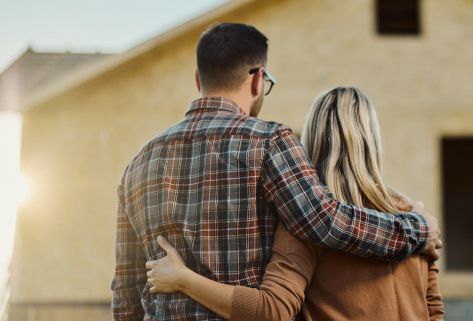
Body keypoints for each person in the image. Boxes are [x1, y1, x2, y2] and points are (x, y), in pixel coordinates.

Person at [111, 23, 442, 320]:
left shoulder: (136, 166)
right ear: (258, 79)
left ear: (198, 79)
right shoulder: (269, 141)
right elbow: (326, 222)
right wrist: (417, 230)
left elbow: (126, 293)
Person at [145, 87, 444, 320]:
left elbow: (270, 311)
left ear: (311, 139)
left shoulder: (304, 220)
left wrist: (183, 280)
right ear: (373, 140)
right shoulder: (416, 219)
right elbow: (434, 311)